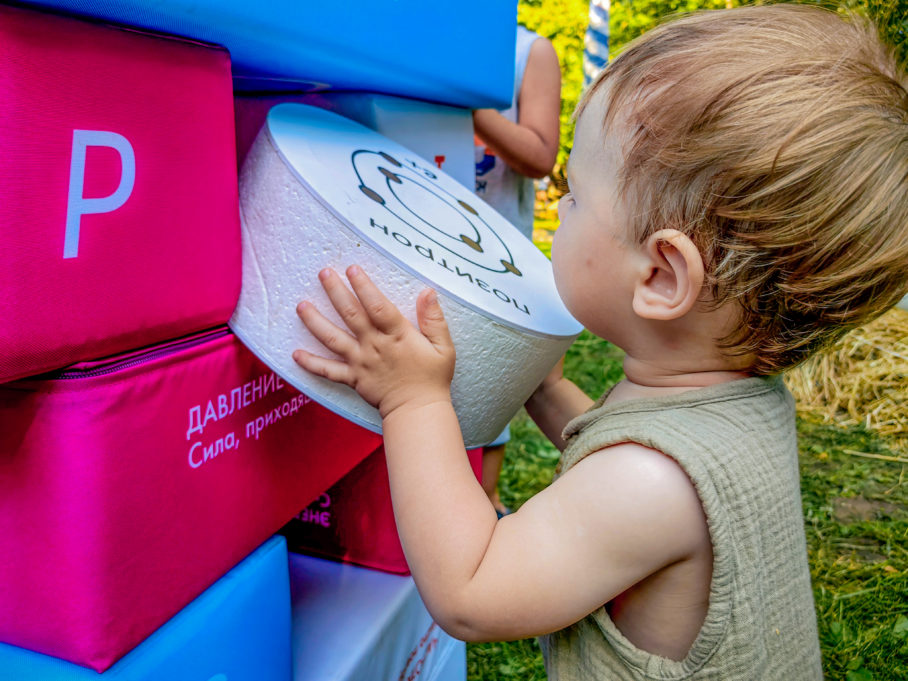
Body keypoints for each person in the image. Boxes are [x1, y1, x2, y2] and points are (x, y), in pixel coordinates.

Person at [291, 5, 908, 678]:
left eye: (576, 196)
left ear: (661, 276)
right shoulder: (741, 404)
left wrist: (413, 401)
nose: (561, 208)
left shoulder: (649, 486)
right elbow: (613, 447)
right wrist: (545, 386)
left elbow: (472, 590)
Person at [472, 24, 561, 517]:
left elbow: (541, 157)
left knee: (489, 373)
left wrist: (473, 110)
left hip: (498, 255)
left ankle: (487, 501)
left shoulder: (529, 51)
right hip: (423, 239)